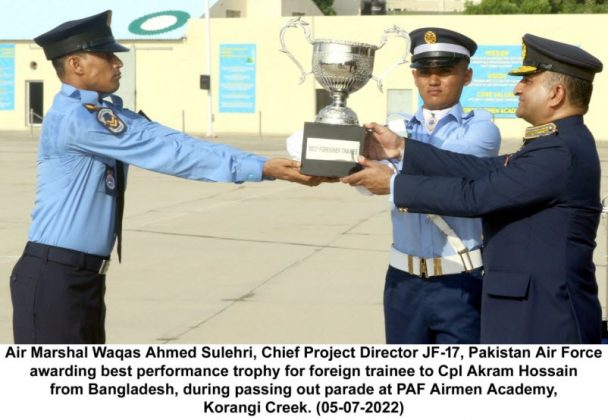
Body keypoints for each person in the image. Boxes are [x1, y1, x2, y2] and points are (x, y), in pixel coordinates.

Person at [10, 10, 325, 344]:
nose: (118, 63)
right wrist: (261, 168)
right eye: (106, 55)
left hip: (79, 278)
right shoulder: (79, 119)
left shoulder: (100, 112)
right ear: (76, 64)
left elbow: (172, 141)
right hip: (55, 278)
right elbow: (171, 155)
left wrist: (261, 163)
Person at [343, 33, 604, 344]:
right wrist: (401, 149)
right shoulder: (555, 144)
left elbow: (475, 195)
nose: (517, 88)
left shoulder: (559, 151)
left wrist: (394, 184)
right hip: (529, 306)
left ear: (556, 94)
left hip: (545, 314)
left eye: (528, 82)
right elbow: (483, 169)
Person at [375, 28, 501, 344]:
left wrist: (395, 160)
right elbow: (367, 181)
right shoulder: (395, 127)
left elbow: (450, 168)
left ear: (467, 75)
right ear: (415, 77)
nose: (433, 81)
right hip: (402, 283)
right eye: (424, 72)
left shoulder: (482, 128)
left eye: (445, 71)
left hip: (460, 280)